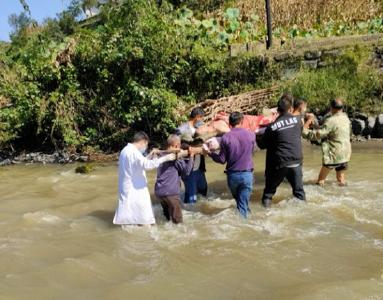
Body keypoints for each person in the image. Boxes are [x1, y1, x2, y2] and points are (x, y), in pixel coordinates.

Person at [113, 132, 175, 226]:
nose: (145, 148)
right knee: (144, 217)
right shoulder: (134, 152)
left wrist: (150, 156)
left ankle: (131, 226)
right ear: (143, 142)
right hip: (136, 189)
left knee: (129, 214)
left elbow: (138, 163)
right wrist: (166, 158)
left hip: (128, 186)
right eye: (146, 145)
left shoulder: (125, 150)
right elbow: (147, 165)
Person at [258, 94, 306, 208]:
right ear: (290, 109)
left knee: (268, 194)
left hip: (279, 164)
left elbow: (262, 145)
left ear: (277, 110)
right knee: (299, 193)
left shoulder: (272, 127)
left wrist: (258, 137)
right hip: (296, 162)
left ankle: (265, 213)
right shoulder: (298, 121)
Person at [204, 112, 255, 218]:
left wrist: (209, 153)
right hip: (247, 174)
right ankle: (244, 226)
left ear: (229, 124)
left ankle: (246, 218)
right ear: (241, 121)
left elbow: (222, 160)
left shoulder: (225, 138)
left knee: (240, 203)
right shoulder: (251, 134)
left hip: (233, 177)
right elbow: (252, 150)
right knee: (242, 205)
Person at [303, 98, 351, 187]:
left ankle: (320, 196)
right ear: (342, 108)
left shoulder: (331, 120)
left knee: (321, 181)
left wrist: (306, 128)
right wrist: (315, 125)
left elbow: (317, 134)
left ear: (331, 108)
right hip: (345, 154)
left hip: (334, 154)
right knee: (341, 180)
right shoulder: (346, 118)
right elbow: (329, 130)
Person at [154, 135, 195, 224]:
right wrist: (191, 156)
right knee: (178, 222)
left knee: (167, 219)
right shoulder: (175, 156)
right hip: (171, 193)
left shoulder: (160, 154)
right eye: (179, 145)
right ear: (176, 145)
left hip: (159, 192)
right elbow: (187, 172)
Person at [177, 107, 208, 204]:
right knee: (191, 198)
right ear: (197, 117)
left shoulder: (200, 128)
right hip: (188, 168)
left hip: (199, 167)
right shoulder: (182, 129)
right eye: (202, 118)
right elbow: (173, 144)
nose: (202, 121)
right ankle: (189, 215)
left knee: (203, 190)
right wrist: (188, 147)